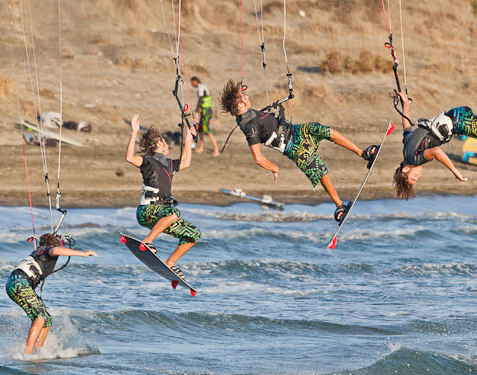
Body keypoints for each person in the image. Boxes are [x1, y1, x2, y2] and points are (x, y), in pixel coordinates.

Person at [219, 80, 380, 222]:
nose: (247, 97)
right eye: (243, 96)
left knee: (322, 129)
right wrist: (274, 168)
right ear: (239, 105)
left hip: (296, 131)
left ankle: (363, 153)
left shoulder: (246, 112)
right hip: (293, 147)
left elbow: (258, 116)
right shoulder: (249, 127)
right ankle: (339, 206)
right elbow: (258, 157)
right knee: (319, 169)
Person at [392, 82, 477, 199]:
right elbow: (407, 126)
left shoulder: (415, 160)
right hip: (455, 116)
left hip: (459, 121)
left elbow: (437, 151)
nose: (418, 177)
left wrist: (455, 172)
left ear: (405, 169)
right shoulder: (407, 149)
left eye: (414, 177)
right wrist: (405, 104)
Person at [124, 114, 201, 274]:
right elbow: (129, 158)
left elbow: (186, 162)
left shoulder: (170, 164)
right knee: (174, 213)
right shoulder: (147, 161)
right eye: (162, 140)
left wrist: (188, 137)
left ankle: (170, 263)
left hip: (162, 216)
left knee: (193, 234)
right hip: (147, 211)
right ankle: (148, 242)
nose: (166, 142)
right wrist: (134, 132)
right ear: (158, 144)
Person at [6, 233, 98, 354]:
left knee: (47, 319)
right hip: (20, 283)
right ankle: (27, 353)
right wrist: (84, 253)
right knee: (40, 316)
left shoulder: (38, 252)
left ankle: (39, 351)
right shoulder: (47, 250)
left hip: (13, 283)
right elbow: (55, 250)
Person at [190, 77, 220, 156]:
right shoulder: (202, 86)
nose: (191, 84)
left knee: (206, 130)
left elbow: (200, 99)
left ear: (195, 81)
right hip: (204, 111)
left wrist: (196, 112)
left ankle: (216, 150)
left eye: (192, 82)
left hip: (207, 111)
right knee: (200, 130)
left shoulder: (201, 86)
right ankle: (200, 148)